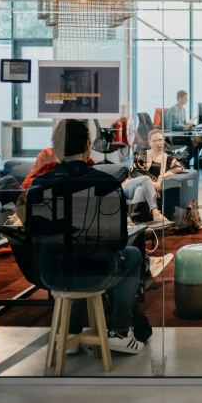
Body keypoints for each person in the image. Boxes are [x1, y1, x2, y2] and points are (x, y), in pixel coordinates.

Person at [25, 120, 145, 355]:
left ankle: (71, 332)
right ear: (87, 145)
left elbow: (35, 236)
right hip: (92, 274)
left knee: (72, 255)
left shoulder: (39, 184)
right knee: (132, 255)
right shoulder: (107, 183)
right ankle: (121, 331)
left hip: (50, 273)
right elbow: (118, 241)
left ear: (56, 148)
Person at [123, 129, 179, 222]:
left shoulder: (169, 158)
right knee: (146, 179)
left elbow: (178, 168)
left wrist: (162, 176)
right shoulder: (141, 155)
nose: (158, 143)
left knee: (140, 189)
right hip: (130, 186)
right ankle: (155, 211)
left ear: (163, 140)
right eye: (154, 141)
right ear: (149, 143)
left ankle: (134, 218)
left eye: (160, 140)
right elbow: (135, 173)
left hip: (143, 189)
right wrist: (152, 183)